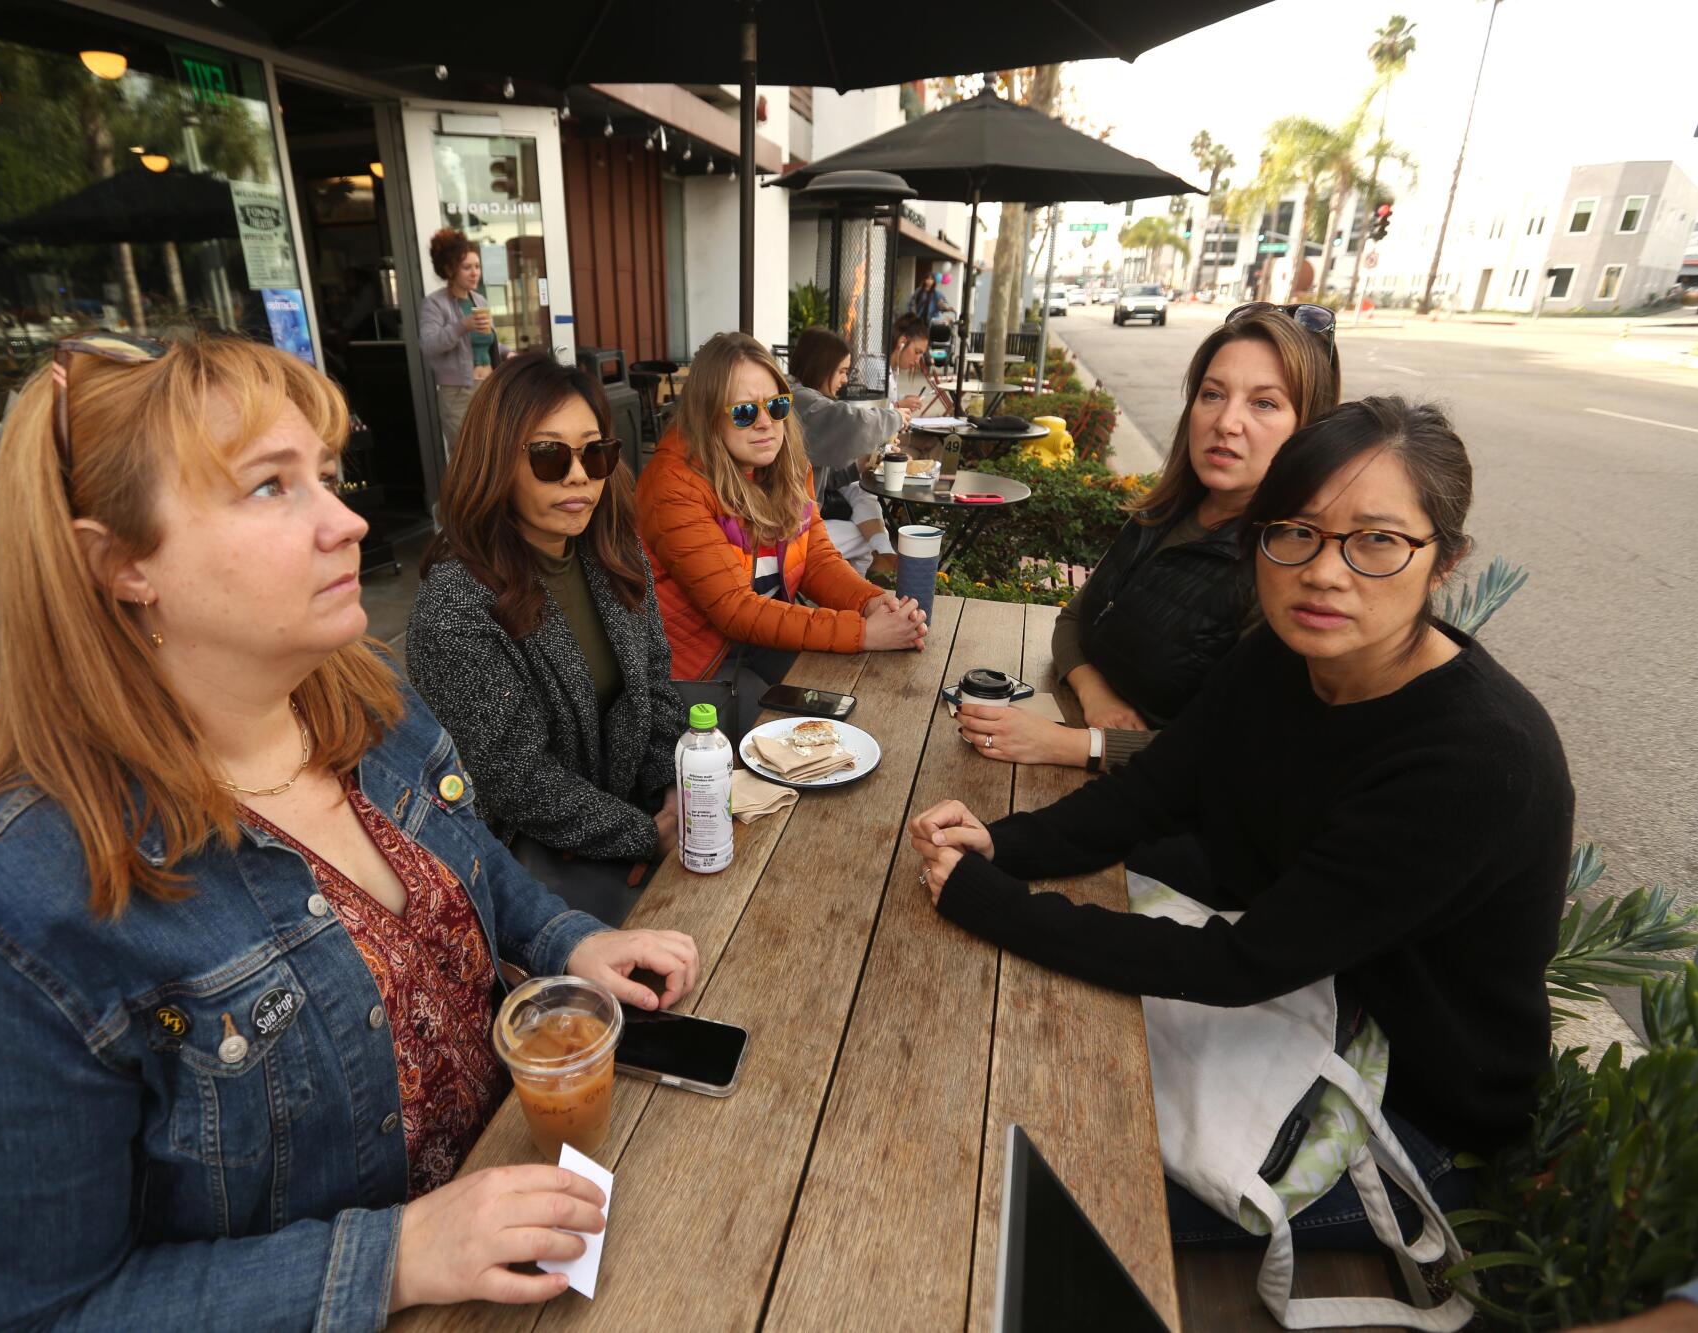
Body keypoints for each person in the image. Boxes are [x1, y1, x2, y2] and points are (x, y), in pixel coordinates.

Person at [0, 332, 700, 1329]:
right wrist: (392, 1257)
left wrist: (570, 938)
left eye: (329, 474)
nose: (347, 520)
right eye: (272, 487)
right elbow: (19, 1313)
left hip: (532, 1230)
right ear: (122, 563)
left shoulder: (363, 700)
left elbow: (471, 857)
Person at [911, 397, 1574, 1249]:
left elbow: (1240, 964)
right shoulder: (1278, 659)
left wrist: (990, 901)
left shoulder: (1476, 761)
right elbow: (1149, 792)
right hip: (1298, 1007)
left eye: (1376, 540)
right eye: (1294, 531)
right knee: (993, 1072)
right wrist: (1003, 844)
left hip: (1406, 1111)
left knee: (1015, 1199)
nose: (1324, 571)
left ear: (1443, 561)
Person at [955, 305, 1339, 773]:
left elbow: (1245, 751)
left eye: (1264, 403)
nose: (1227, 422)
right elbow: (1074, 619)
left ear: (1308, 428)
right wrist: (1094, 692)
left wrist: (1080, 746)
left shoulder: (1292, 568)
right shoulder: (1161, 512)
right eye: (1213, 394)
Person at [406, 353, 687, 924]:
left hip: (638, 831)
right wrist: (644, 833)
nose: (579, 475)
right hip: (534, 882)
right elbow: (512, 779)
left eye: (596, 453)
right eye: (549, 455)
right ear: (495, 463)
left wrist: (673, 790)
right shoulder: (455, 605)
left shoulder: (613, 552)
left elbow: (654, 685)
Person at [635, 330, 926, 694]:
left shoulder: (783, 463)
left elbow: (816, 560)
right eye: (743, 412)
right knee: (819, 724)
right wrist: (863, 632)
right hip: (697, 674)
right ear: (707, 417)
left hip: (760, 642)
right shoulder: (674, 485)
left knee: (873, 690)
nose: (765, 423)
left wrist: (871, 602)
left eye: (776, 406)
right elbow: (735, 610)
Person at [785, 327, 907, 576]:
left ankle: (882, 559)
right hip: (788, 531)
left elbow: (822, 475)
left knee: (861, 489)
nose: (845, 380)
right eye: (841, 371)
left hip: (801, 516)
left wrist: (858, 466)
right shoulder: (802, 401)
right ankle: (879, 563)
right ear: (821, 366)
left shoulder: (801, 399)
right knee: (864, 540)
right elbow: (856, 423)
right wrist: (896, 417)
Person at [419, 229, 500, 457]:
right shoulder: (434, 303)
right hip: (458, 392)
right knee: (468, 457)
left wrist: (508, 353)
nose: (475, 273)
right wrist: (461, 326)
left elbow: (485, 343)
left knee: (494, 454)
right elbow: (428, 345)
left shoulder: (479, 299)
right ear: (449, 269)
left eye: (477, 266)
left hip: (489, 386)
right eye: (467, 267)